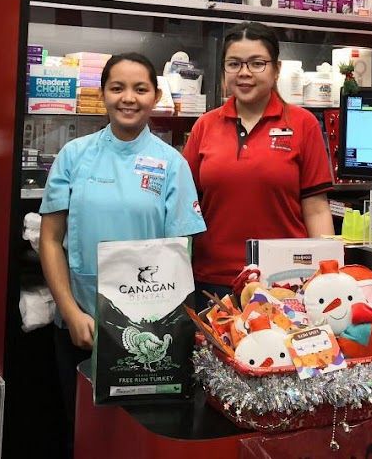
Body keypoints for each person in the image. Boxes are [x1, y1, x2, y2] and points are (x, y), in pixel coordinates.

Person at [38, 52, 205, 453]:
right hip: (82, 327)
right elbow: (50, 240)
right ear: (103, 95)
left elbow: (179, 254)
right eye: (117, 88)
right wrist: (72, 312)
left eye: (139, 89)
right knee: (84, 432)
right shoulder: (74, 156)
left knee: (136, 440)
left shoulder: (171, 165)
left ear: (156, 95)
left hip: (150, 336)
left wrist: (162, 331)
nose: (128, 98)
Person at [184, 22, 334, 299]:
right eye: (234, 64)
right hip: (214, 280)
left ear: (276, 70)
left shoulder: (304, 124)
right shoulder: (205, 126)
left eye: (256, 63)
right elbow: (185, 208)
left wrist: (329, 274)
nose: (244, 73)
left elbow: (316, 209)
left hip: (285, 281)